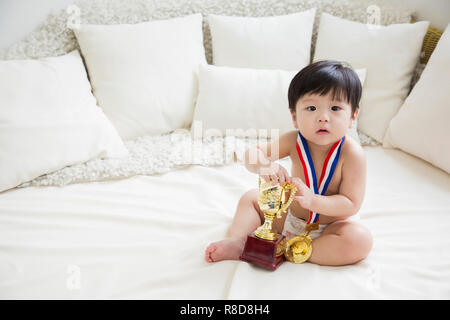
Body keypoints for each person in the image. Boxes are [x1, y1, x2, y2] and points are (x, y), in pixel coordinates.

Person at [205, 60, 373, 266]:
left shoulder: (352, 154)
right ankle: (240, 242)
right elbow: (250, 155)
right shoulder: (293, 140)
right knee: (250, 198)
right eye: (311, 108)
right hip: (289, 219)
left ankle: (296, 251)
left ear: (352, 117)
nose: (323, 117)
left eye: (335, 107)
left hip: (330, 228)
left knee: (359, 240)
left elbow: (350, 204)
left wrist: (314, 201)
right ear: (294, 117)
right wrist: (264, 165)